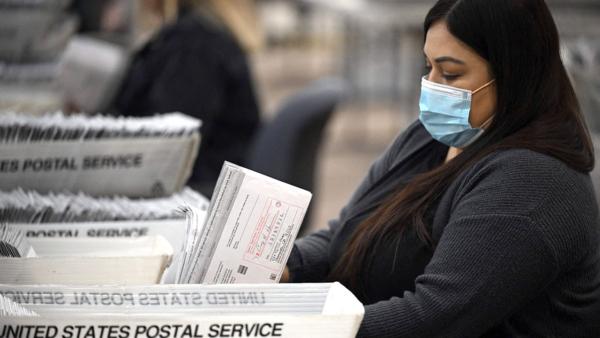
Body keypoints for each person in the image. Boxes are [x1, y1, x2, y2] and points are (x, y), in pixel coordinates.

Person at [282, 0, 600, 337]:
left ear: (513, 75)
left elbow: (433, 316)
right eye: (427, 68)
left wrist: (292, 329)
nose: (431, 86)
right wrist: (279, 266)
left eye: (450, 74)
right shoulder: (430, 138)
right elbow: (347, 232)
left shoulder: (532, 183)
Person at [112, 0, 261, 197]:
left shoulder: (194, 45)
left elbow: (167, 145)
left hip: (190, 197)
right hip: (202, 189)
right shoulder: (207, 33)